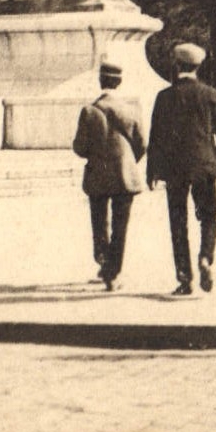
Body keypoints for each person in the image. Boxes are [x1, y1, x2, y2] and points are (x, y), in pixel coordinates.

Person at [146, 42, 216, 295]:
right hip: (205, 165)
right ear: (198, 66)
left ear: (177, 66)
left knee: (178, 222)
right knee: (209, 216)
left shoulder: (164, 97)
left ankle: (184, 278)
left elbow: (156, 137)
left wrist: (152, 171)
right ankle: (206, 257)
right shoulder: (210, 94)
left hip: (175, 168)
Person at [72, 60, 146, 290]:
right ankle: (113, 272)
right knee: (120, 224)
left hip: (98, 173)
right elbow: (142, 144)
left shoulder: (89, 111)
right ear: (119, 82)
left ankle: (103, 259)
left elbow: (79, 147)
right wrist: (127, 160)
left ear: (100, 81)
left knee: (99, 221)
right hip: (125, 173)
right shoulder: (131, 110)